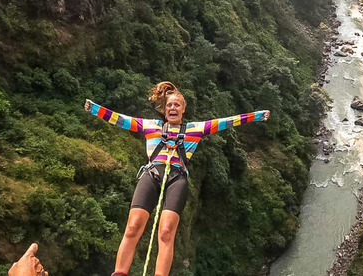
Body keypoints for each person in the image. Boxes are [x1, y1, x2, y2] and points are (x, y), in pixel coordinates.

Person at [84, 81, 270, 276]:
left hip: (177, 178)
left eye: (177, 105)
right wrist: (95, 109)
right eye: (169, 105)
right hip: (152, 174)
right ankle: (120, 273)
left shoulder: (196, 129)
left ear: (183, 109)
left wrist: (257, 116)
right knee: (133, 226)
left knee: (166, 232)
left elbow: (228, 121)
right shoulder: (150, 126)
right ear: (165, 109)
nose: (173, 108)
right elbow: (121, 120)